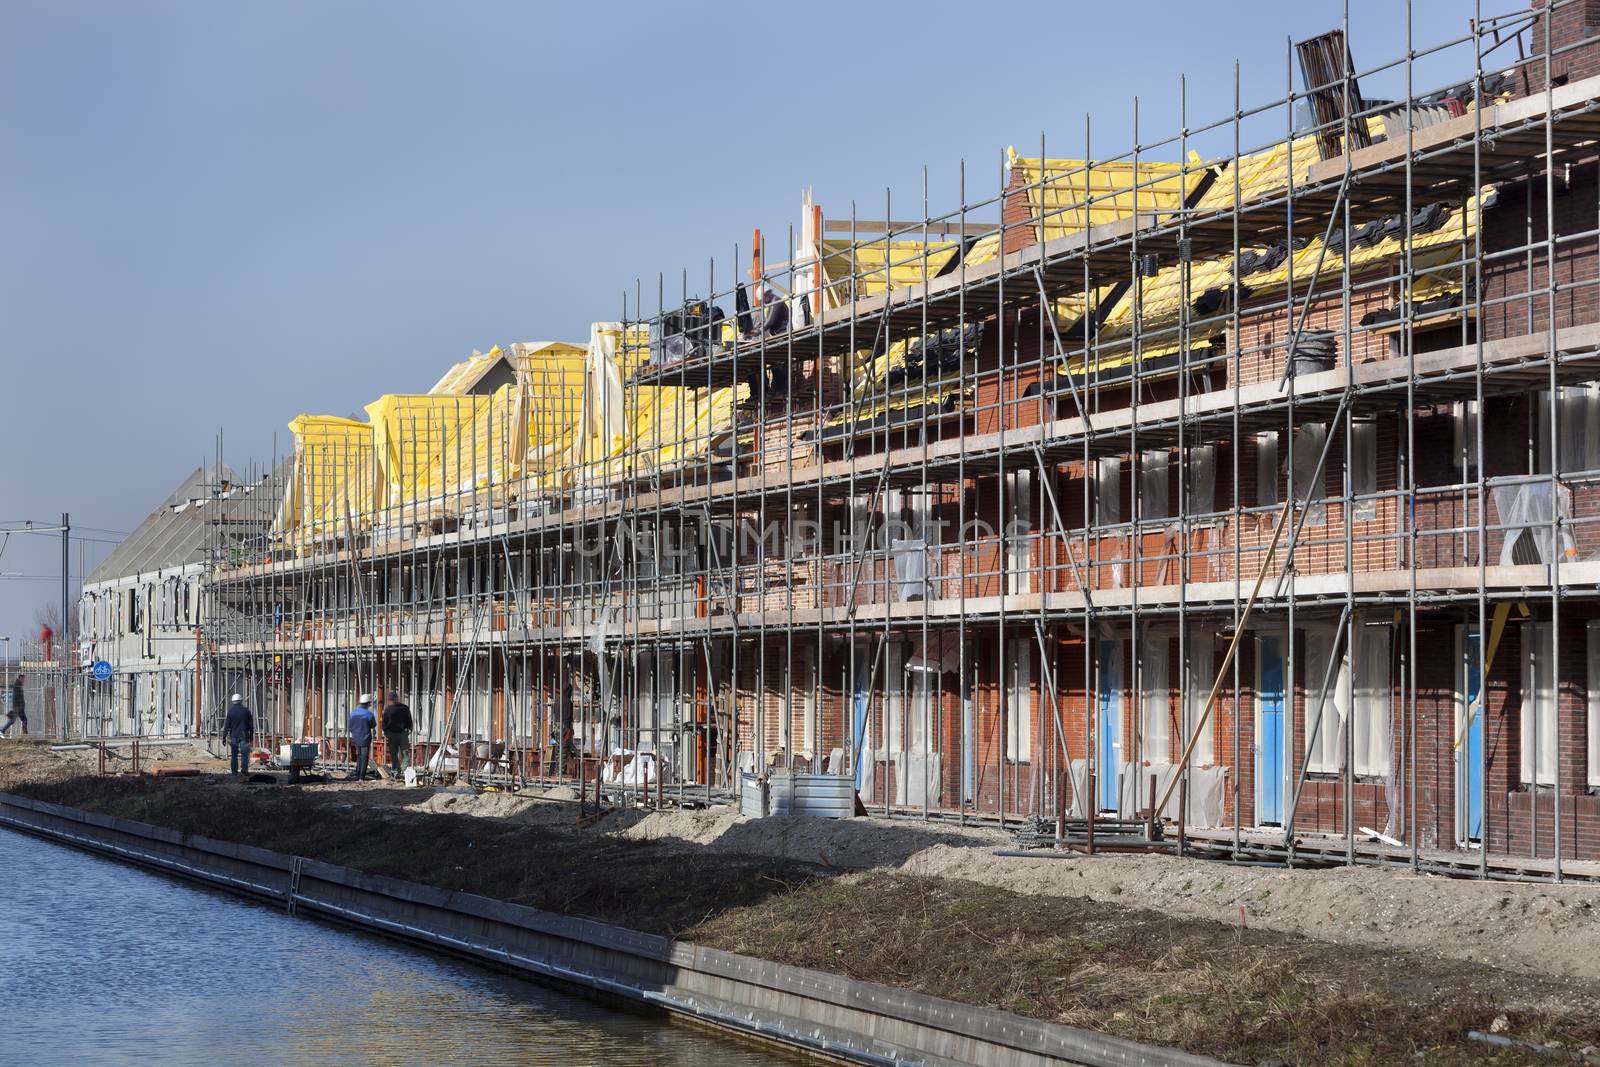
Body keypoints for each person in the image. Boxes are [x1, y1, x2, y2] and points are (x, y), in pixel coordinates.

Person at [381, 693, 413, 779]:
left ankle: (402, 770)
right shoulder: (387, 710)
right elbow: (384, 722)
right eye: (390, 700)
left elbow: (409, 720)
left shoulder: (404, 708)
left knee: (405, 754)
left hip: (402, 733)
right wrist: (386, 731)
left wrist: (409, 729)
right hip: (392, 733)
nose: (391, 701)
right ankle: (396, 772)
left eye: (392, 699)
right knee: (394, 755)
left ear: (396, 699)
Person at [348, 694, 377, 781]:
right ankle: (361, 776)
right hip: (365, 737)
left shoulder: (353, 713)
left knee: (359, 756)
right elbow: (373, 725)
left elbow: (350, 726)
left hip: (356, 738)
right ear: (368, 704)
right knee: (364, 757)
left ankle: (357, 773)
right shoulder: (369, 714)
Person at [223, 693, 252, 774]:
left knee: (234, 754)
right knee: (245, 753)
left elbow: (226, 726)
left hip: (234, 735)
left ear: (233, 701)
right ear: (241, 701)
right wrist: (251, 736)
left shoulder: (230, 712)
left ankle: (234, 771)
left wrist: (224, 737)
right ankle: (244, 769)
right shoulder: (246, 711)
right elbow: (251, 725)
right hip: (244, 735)